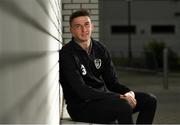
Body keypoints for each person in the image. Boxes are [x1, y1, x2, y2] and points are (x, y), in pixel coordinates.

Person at [60, 9, 157, 124]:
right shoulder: (67, 54)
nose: (84, 29)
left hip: (104, 100)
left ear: (92, 26)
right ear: (71, 30)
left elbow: (112, 83)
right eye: (78, 26)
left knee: (150, 100)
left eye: (87, 24)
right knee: (123, 106)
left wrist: (128, 92)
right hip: (81, 107)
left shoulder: (100, 49)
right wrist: (118, 97)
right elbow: (82, 91)